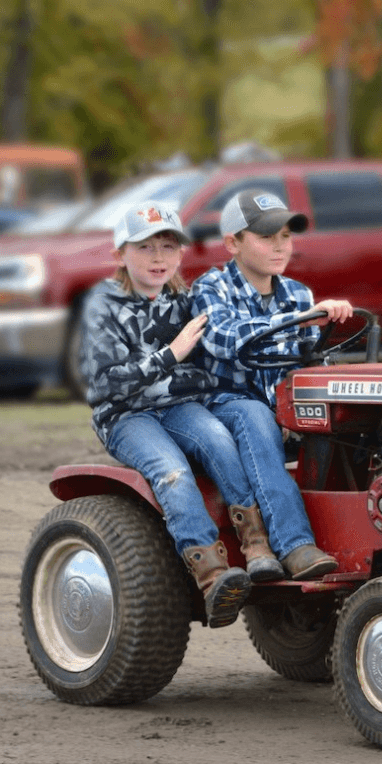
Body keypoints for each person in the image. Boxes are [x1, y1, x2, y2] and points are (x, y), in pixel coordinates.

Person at [81, 201, 284, 629]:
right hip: (126, 416)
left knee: (218, 440)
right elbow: (105, 385)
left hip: (177, 405)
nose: (158, 258)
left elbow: (231, 334)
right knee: (171, 470)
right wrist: (170, 355)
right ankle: (212, 575)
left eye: (168, 247)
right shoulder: (103, 305)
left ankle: (257, 545)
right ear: (120, 253)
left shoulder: (183, 300)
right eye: (145, 247)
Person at [189, 188, 353, 581]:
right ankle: (294, 543)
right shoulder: (212, 288)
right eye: (266, 238)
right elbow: (224, 338)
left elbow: (311, 358)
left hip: (282, 408)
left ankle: (366, 532)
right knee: (254, 415)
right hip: (225, 408)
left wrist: (326, 331)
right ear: (233, 243)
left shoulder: (298, 294)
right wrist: (299, 323)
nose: (280, 247)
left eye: (285, 236)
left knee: (353, 420)